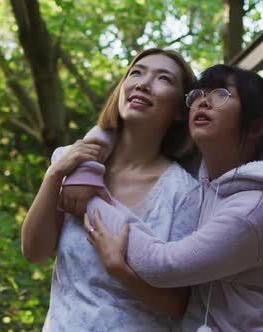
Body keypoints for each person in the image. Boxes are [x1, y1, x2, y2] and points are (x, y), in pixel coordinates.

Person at [77, 65, 263, 331]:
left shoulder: (255, 209)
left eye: (221, 93)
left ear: (255, 126)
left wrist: (91, 198)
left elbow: (162, 265)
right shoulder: (210, 172)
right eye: (197, 94)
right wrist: (82, 171)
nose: (203, 101)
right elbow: (119, 127)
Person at [20, 48, 202, 331]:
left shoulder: (184, 193)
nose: (143, 83)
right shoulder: (73, 164)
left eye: (163, 78)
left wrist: (121, 270)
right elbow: (34, 251)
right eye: (136, 73)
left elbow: (179, 305)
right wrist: (54, 174)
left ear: (181, 110)